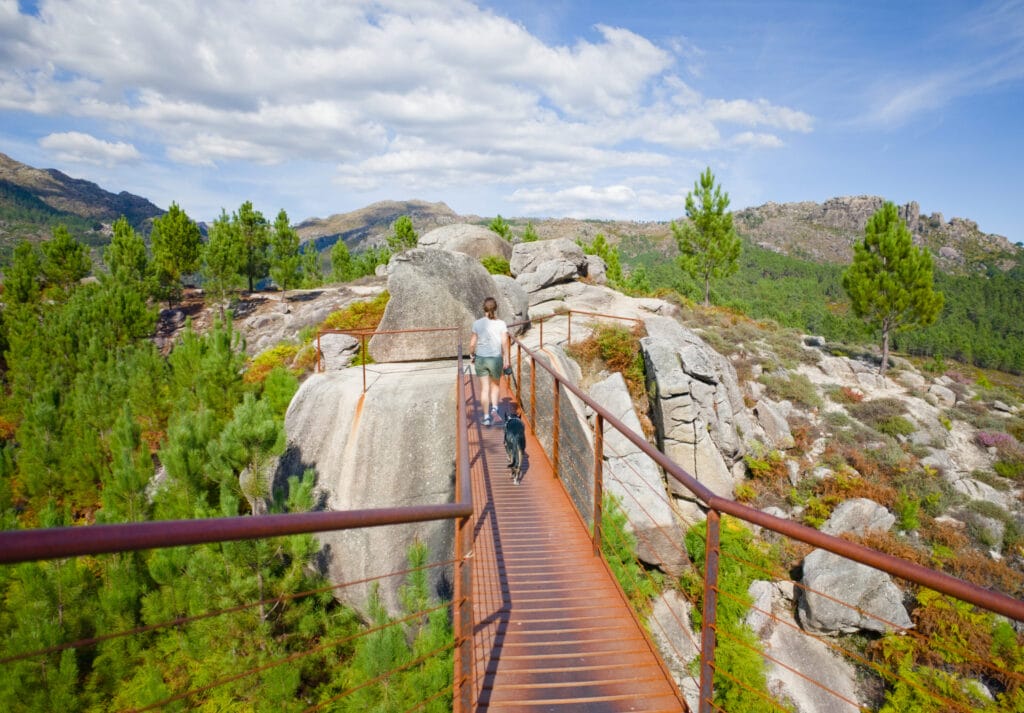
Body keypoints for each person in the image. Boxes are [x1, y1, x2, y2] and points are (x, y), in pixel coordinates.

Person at [469, 296, 509, 426]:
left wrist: (471, 354)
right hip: (495, 359)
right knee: (495, 385)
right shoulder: (501, 324)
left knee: (484, 388)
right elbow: (504, 342)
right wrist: (506, 358)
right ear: (496, 308)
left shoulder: (477, 323)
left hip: (481, 359)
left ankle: (486, 417)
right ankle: (494, 409)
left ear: (484, 308)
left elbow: (472, 343)